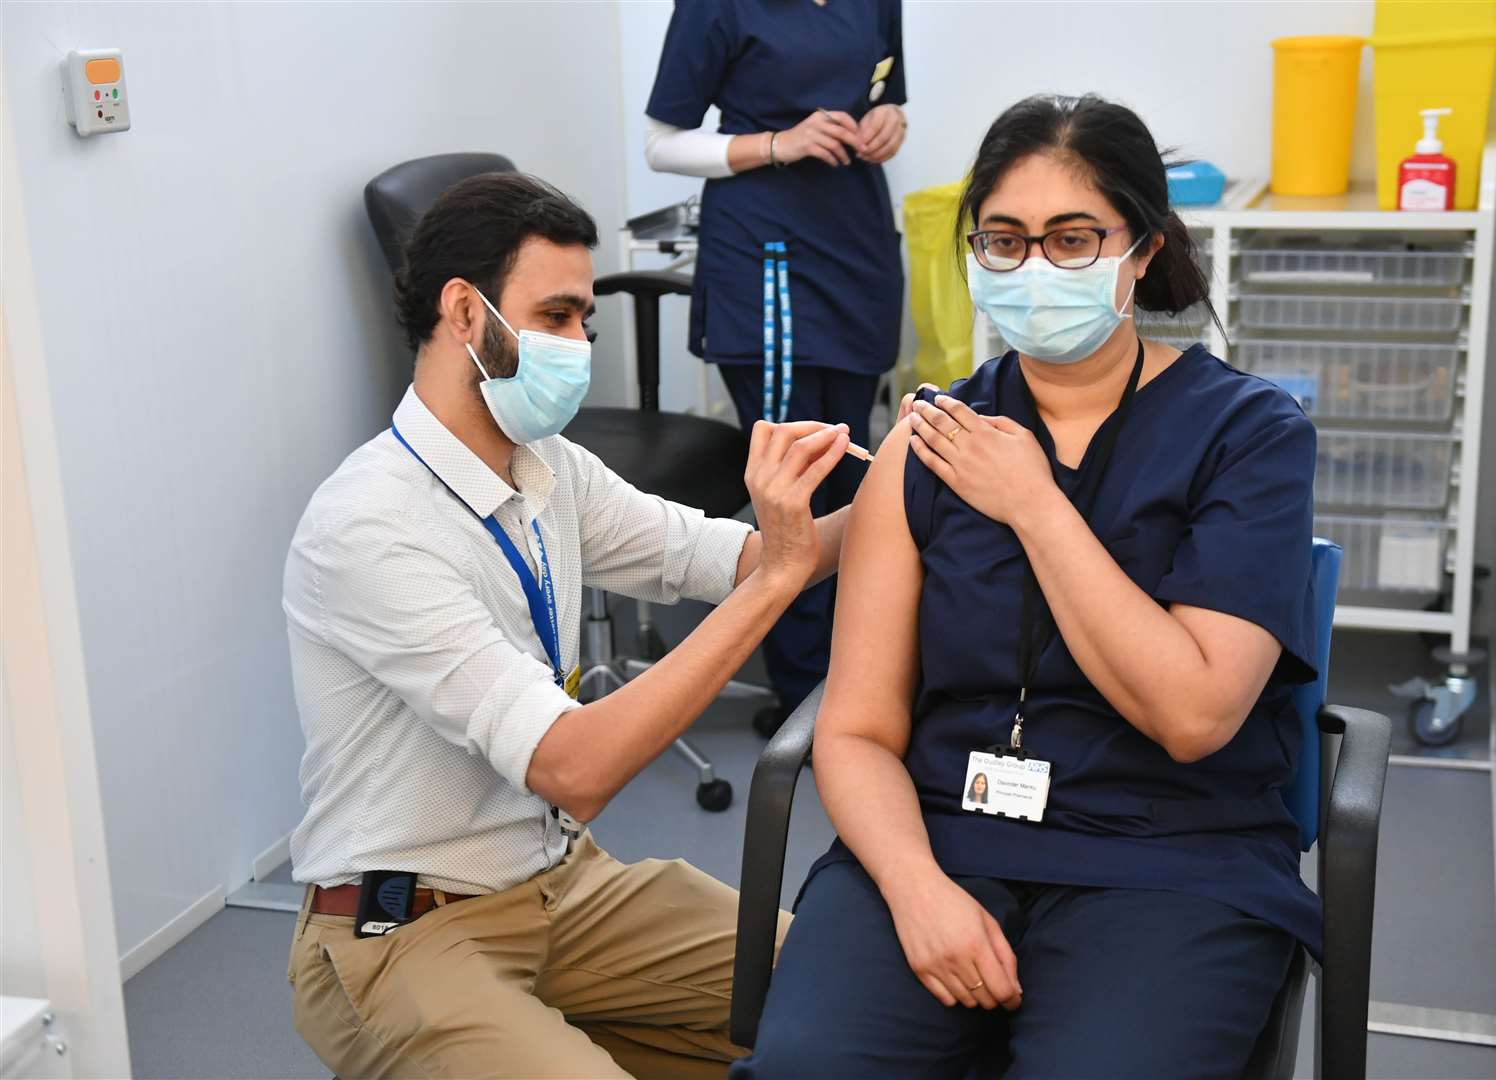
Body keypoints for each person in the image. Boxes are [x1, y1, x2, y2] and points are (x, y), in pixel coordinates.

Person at [735, 95, 1320, 1079]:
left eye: (1073, 238)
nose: (1034, 267)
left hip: (1172, 856)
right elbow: (857, 729)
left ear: (1141, 251)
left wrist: (1037, 506)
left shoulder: (1251, 435)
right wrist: (916, 891)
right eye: (1002, 241)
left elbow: (1194, 714)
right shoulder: (925, 446)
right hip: (945, 836)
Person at [282, 171, 857, 1080]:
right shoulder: (372, 526)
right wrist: (778, 581)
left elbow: (731, 559)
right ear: (465, 315)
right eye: (555, 317)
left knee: (848, 997)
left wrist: (911, 480)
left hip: (562, 890)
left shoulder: (548, 467)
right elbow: (576, 770)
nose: (580, 344)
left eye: (585, 319)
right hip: (405, 928)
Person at [644, 0, 908, 735]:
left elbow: (886, 95)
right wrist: (777, 143)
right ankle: (808, 699)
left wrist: (893, 122)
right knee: (801, 481)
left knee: (863, 473)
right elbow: (662, 146)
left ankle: (867, 674)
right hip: (769, 257)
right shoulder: (716, 7)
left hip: (856, 244)